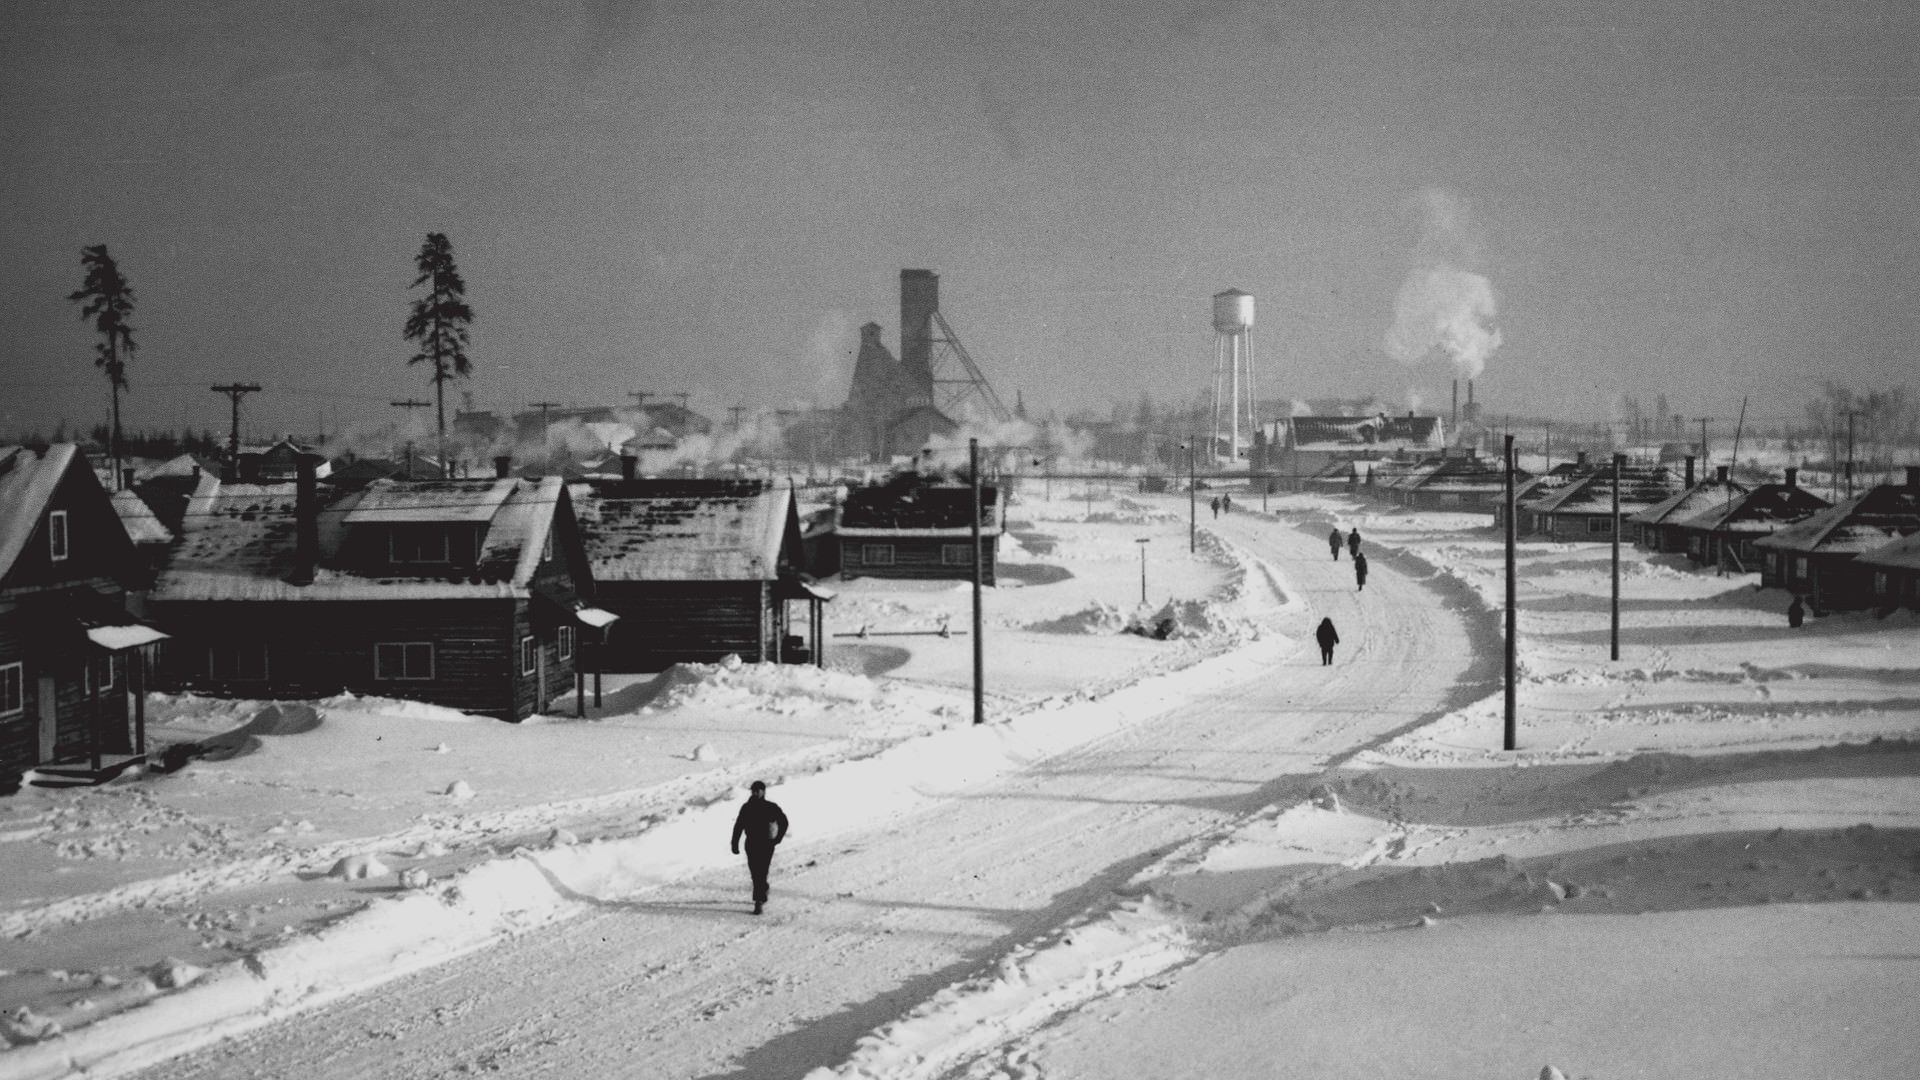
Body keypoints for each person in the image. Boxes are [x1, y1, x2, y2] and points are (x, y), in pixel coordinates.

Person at [730, 780, 789, 914]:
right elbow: (739, 825)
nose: (755, 793)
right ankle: (763, 889)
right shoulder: (746, 807)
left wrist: (778, 838)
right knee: (755, 873)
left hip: (766, 844)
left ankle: (758, 901)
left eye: (758, 790)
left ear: (763, 791)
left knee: (761, 872)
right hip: (751, 843)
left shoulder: (770, 807)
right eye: (753, 790)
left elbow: (784, 822)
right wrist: (734, 843)